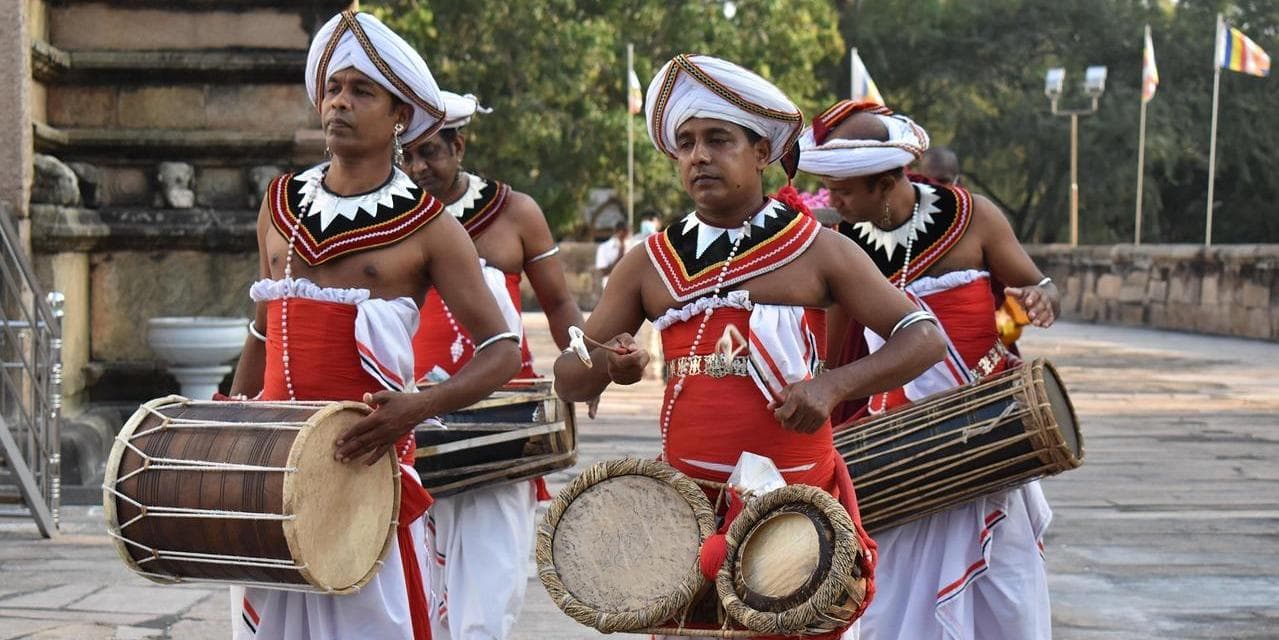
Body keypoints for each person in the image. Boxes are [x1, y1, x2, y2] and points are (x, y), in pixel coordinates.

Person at [552, 54, 946, 639]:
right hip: (685, 516)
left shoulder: (817, 249)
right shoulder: (648, 263)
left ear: (762, 153)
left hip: (795, 511)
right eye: (685, 143)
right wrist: (609, 362)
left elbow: (924, 338)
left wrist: (833, 385)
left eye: (718, 139)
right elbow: (568, 378)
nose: (699, 156)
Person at [227, 11, 520, 640]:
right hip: (274, 472)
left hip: (368, 470)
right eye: (333, 88)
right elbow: (260, 331)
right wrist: (227, 419)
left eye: (362, 91)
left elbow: (500, 349)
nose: (340, 102)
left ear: (399, 117)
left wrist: (418, 407)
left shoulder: (430, 225)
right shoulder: (277, 206)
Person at [798, 100, 1059, 640]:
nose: (832, 201)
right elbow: (834, 352)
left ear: (888, 181)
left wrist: (1040, 298)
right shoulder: (846, 244)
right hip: (899, 443)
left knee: (1005, 592)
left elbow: (1038, 283)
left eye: (844, 190)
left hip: (985, 429)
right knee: (893, 597)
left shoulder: (974, 216)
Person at [402, 90, 589, 640]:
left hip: (499, 421)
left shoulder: (515, 212)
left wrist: (586, 360)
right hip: (410, 415)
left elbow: (558, 302)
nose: (418, 168)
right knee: (415, 587)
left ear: (459, 146)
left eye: (430, 153)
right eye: (406, 157)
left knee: (489, 590)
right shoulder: (392, 216)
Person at [594, 220, 629, 288]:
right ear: (619, 232)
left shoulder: (632, 246)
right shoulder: (604, 248)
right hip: (610, 287)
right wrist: (620, 254)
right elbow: (604, 272)